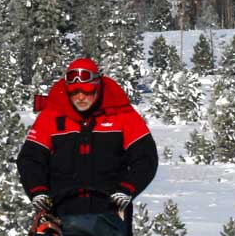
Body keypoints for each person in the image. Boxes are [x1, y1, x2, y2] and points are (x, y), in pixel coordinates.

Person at [16, 57, 158, 222]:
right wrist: (37, 190)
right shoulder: (51, 117)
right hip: (60, 212)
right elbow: (30, 158)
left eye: (87, 91)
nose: (81, 97)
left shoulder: (122, 114)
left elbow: (146, 157)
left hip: (109, 213)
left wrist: (127, 189)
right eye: (75, 92)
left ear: (97, 87)